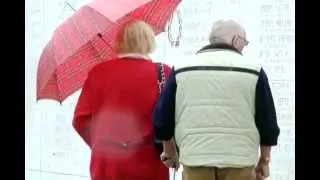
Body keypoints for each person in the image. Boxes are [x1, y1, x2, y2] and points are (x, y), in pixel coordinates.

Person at [153, 19, 280, 180]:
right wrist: (264, 160)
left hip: (195, 160)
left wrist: (169, 150)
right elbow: (267, 121)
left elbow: (162, 117)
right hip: (239, 161)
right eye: (244, 42)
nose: (244, 47)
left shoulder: (181, 68)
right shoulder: (253, 70)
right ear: (236, 40)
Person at [72, 20, 172, 180]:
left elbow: (80, 120)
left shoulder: (98, 72)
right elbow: (172, 118)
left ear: (119, 42)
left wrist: (102, 143)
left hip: (107, 162)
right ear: (149, 41)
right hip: (149, 160)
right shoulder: (163, 72)